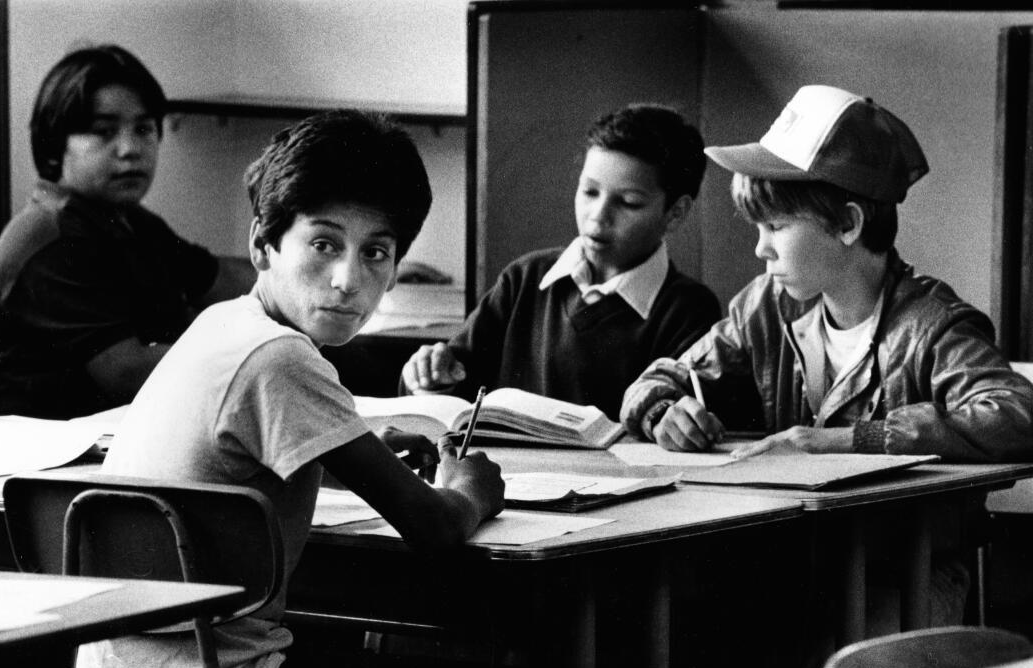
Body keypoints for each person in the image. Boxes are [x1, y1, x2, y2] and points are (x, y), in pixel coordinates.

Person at [69, 110, 506, 668]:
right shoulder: (282, 358)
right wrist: (470, 483)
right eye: (324, 244)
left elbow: (240, 457)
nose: (347, 280)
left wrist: (359, 452)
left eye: (376, 253)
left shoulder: (223, 325)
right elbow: (436, 528)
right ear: (264, 245)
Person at [621, 84, 1033, 462]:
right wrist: (663, 413)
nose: (760, 248)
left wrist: (853, 439)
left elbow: (1016, 415)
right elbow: (658, 380)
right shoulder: (765, 306)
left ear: (847, 225)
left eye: (776, 227)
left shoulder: (932, 327)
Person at [0, 45, 256, 419]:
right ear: (56, 146)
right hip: (47, 453)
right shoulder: (53, 237)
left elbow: (221, 279)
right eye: (104, 132)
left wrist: (300, 276)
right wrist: (256, 350)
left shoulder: (125, 220)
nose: (130, 149)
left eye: (143, 129)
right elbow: (126, 372)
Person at [401, 103, 721, 421]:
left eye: (629, 203)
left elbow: (682, 421)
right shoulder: (524, 278)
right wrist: (429, 374)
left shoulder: (689, 310)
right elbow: (453, 385)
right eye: (589, 192)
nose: (598, 217)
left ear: (675, 213)